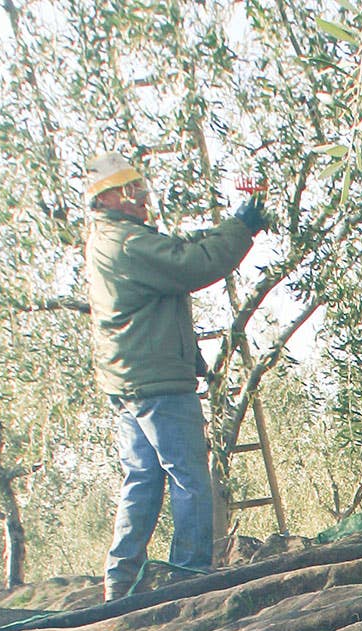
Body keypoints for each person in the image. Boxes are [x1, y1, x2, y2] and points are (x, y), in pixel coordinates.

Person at [83, 151, 269, 602]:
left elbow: (177, 260)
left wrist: (230, 230)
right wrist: (242, 227)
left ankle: (120, 580)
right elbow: (192, 264)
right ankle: (190, 576)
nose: (144, 199)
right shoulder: (128, 243)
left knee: (142, 478)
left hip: (130, 382)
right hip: (157, 386)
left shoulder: (112, 241)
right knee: (188, 474)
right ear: (110, 198)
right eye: (135, 192)